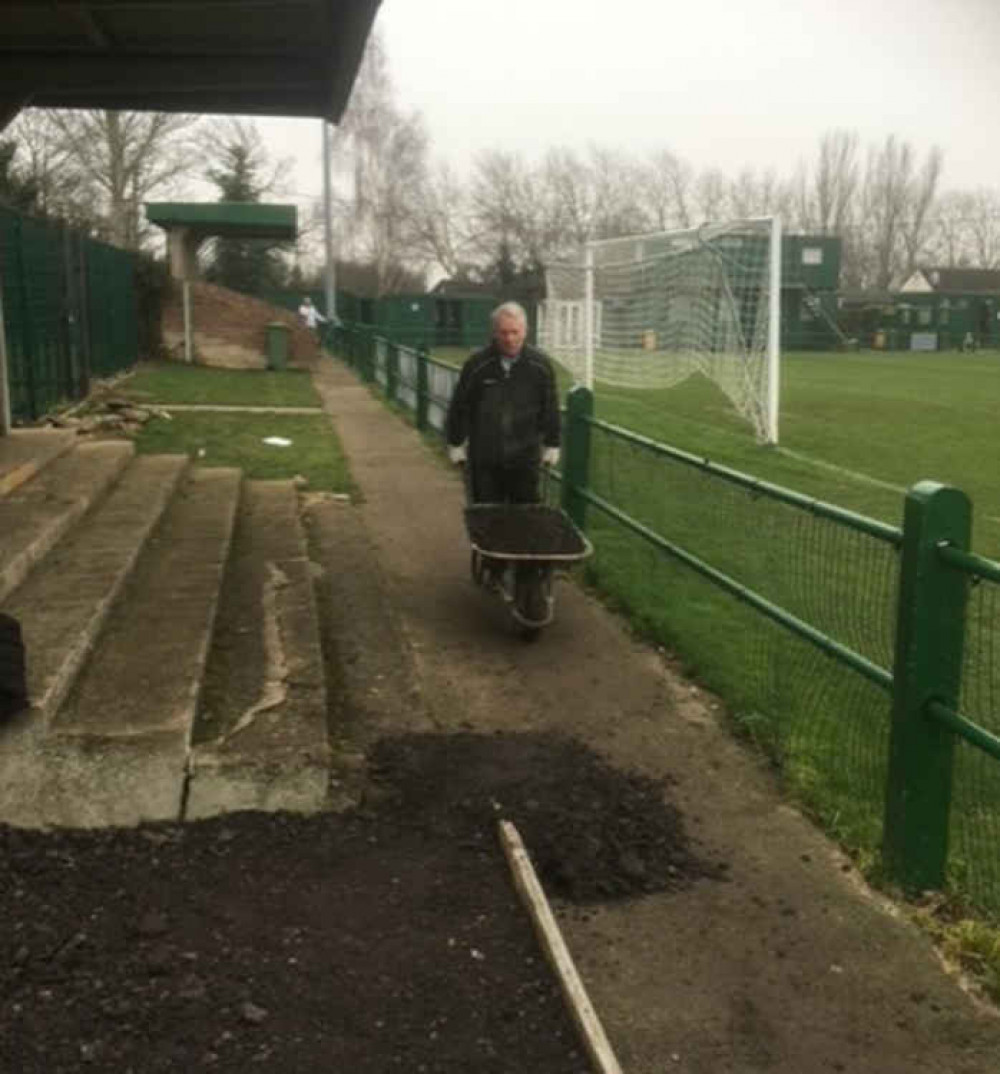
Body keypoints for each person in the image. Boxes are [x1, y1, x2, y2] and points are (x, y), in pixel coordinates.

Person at [445, 300, 561, 506]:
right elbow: (461, 405)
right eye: (503, 332)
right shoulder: (477, 365)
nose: (509, 339)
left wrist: (553, 443)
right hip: (485, 457)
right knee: (486, 515)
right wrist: (455, 442)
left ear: (525, 331)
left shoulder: (540, 366)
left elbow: (550, 406)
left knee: (526, 516)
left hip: (525, 457)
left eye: (515, 332)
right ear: (494, 333)